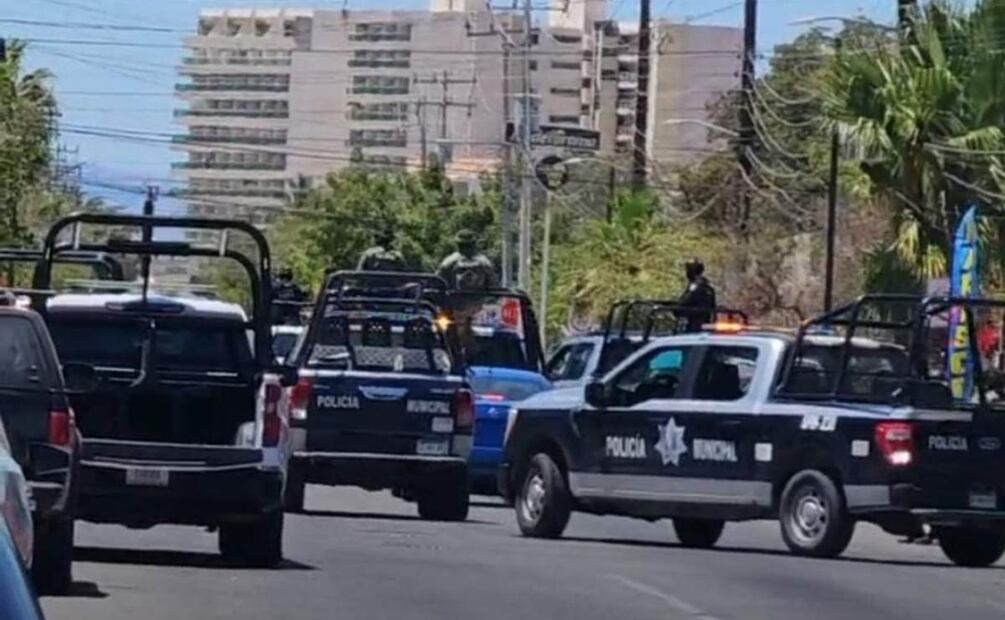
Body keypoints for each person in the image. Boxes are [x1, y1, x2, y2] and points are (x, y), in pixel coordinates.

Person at [677, 259, 716, 333]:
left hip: (695, 327)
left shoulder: (696, 287)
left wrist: (676, 308)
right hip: (703, 326)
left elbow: (683, 303)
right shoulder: (709, 289)